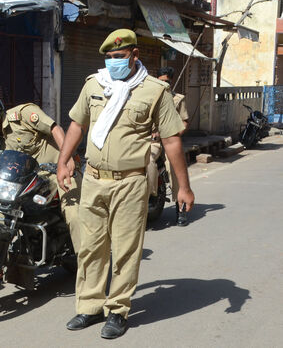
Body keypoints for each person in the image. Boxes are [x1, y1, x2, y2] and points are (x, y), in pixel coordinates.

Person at [56, 29, 195, 339]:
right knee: (91, 248)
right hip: (92, 179)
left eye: (118, 57)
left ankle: (117, 310)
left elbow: (172, 140)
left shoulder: (154, 91)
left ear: (134, 56)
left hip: (130, 183)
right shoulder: (94, 84)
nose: (112, 62)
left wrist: (182, 186)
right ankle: (90, 306)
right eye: (108, 57)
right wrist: (63, 160)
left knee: (125, 250)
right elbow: (77, 124)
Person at [0, 92, 81, 254]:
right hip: (28, 183)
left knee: (74, 215)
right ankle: (2, 263)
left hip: (58, 174)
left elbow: (55, 128)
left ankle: (86, 268)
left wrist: (66, 159)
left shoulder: (23, 115)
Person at [147, 66, 190, 226]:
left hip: (171, 140)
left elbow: (185, 121)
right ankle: (151, 196)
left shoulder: (178, 99)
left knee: (174, 169)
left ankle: (181, 209)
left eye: (167, 82)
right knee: (147, 159)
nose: (164, 84)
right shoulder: (149, 98)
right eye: (161, 81)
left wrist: (176, 133)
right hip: (153, 141)